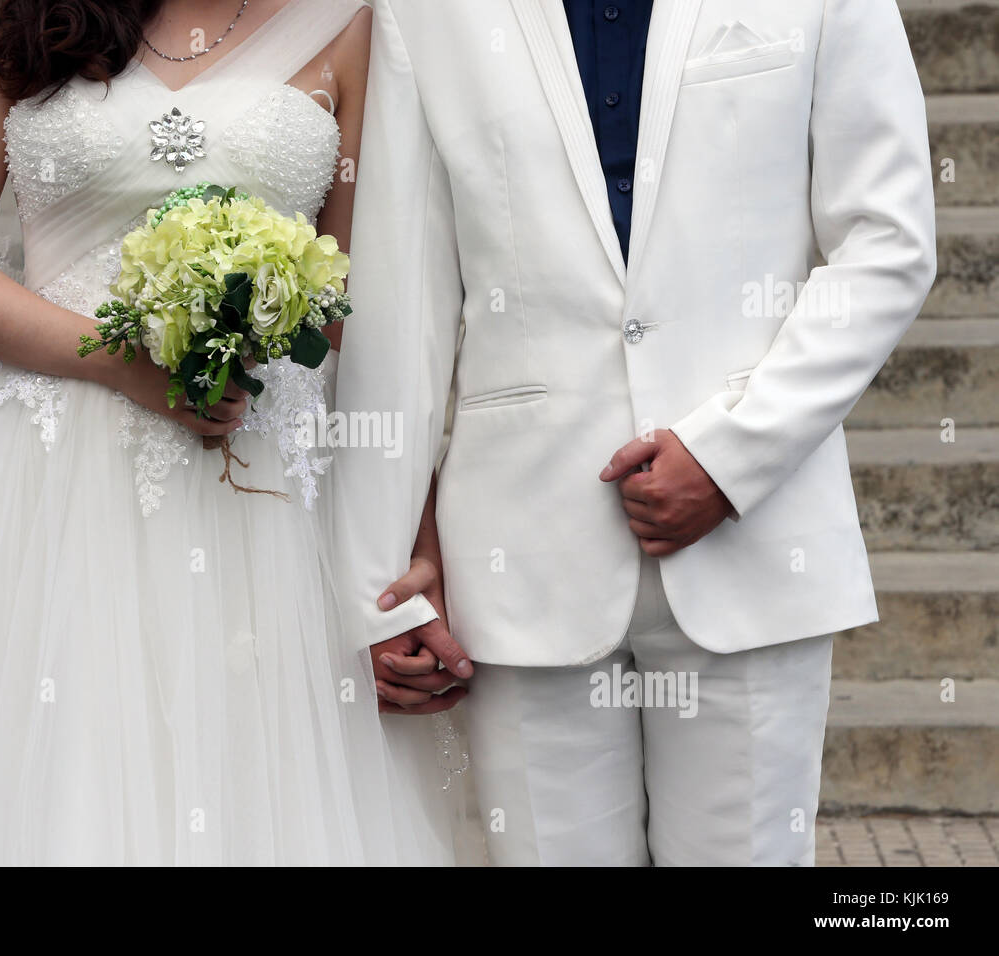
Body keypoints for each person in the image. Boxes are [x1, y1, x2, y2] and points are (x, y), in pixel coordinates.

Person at [336, 0, 937, 865]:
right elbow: (406, 307)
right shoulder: (427, 13)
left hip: (754, 543)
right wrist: (385, 572)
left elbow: (886, 242)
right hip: (518, 558)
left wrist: (733, 455)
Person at [0, 0, 456, 865]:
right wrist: (116, 362)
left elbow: (365, 314)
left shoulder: (352, 23)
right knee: (76, 772)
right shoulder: (14, 17)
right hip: (57, 469)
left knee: (258, 777)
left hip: (265, 478)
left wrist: (415, 524)